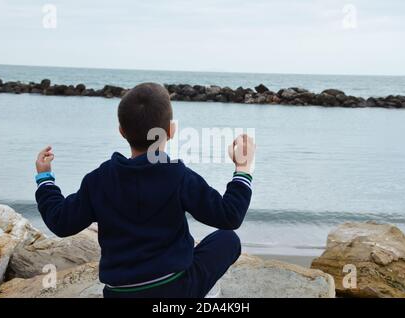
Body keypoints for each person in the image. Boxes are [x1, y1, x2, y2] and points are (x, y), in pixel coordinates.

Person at [34, 82, 255, 298]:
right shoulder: (178, 176)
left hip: (118, 292)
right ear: (171, 130)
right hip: (176, 289)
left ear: (121, 131)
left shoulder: (99, 180)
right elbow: (229, 216)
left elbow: (61, 222)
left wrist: (45, 178)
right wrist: (243, 168)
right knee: (228, 239)